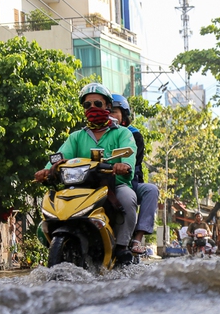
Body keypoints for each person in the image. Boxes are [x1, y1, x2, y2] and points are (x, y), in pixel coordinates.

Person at [34, 83, 137, 264]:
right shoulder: (76, 136)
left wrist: (124, 166)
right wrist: (46, 170)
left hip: (113, 184)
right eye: (87, 105)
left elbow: (129, 153)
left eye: (97, 103)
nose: (92, 108)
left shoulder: (122, 133)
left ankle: (122, 247)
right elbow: (60, 157)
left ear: (107, 106)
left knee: (128, 200)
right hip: (81, 187)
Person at [110, 93, 159, 256]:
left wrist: (122, 166)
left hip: (127, 181)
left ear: (124, 115)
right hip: (97, 180)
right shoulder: (90, 133)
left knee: (151, 190)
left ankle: (136, 239)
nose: (110, 115)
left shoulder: (131, 134)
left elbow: (133, 161)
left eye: (114, 111)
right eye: (107, 111)